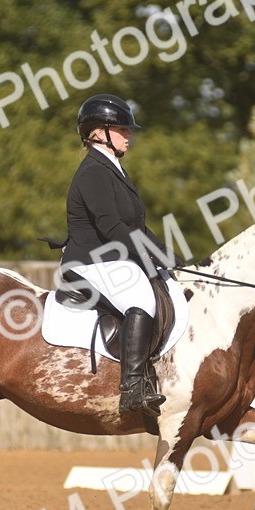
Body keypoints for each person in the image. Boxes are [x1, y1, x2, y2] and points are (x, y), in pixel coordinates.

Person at [59, 94, 173, 417]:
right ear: (99, 133)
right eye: (122, 129)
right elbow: (111, 226)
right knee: (142, 298)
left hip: (110, 260)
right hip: (88, 263)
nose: (129, 135)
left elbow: (136, 225)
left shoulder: (114, 169)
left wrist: (169, 256)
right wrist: (149, 257)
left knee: (160, 283)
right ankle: (132, 389)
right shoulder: (93, 172)